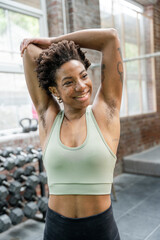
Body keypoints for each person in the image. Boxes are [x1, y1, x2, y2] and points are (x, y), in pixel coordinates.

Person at [20, 28, 123, 240]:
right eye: (68, 82)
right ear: (55, 91)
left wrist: (54, 41)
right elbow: (29, 51)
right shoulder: (48, 119)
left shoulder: (106, 113)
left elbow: (110, 38)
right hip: (58, 229)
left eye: (83, 76)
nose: (81, 86)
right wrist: (53, 60)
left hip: (100, 229)